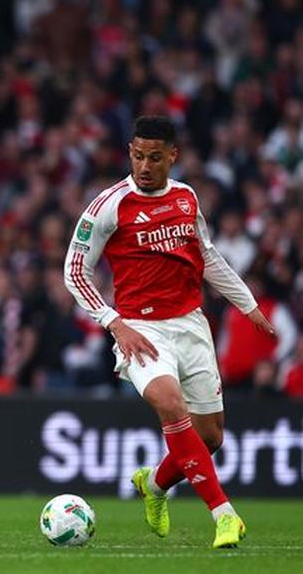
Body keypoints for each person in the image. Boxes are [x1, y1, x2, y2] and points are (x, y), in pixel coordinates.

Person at [63, 116, 275, 549]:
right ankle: (224, 515)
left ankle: (154, 485)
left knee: (210, 436)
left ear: (172, 156)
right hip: (140, 329)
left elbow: (207, 256)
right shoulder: (108, 206)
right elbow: (74, 271)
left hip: (191, 325)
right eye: (139, 156)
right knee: (169, 403)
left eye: (155, 158)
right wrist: (114, 323)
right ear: (130, 152)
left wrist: (247, 304)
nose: (145, 166)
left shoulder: (186, 197)